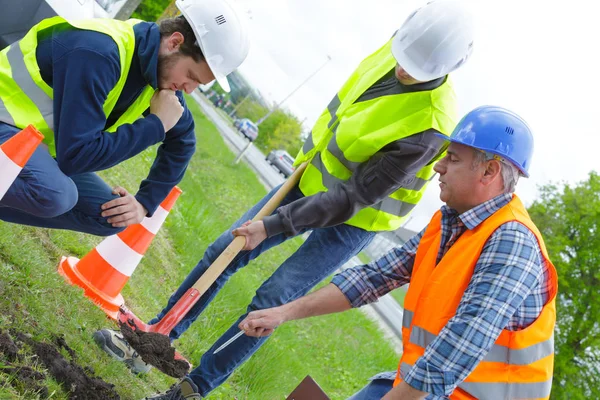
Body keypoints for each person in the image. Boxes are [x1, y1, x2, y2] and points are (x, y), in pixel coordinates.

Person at [95, 1, 475, 398]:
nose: (404, 69)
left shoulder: (431, 125)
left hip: (356, 218)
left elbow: (352, 197)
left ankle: (191, 389)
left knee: (272, 300)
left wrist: (272, 225)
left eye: (416, 70)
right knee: (227, 248)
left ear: (447, 69)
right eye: (403, 57)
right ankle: (153, 341)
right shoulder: (400, 45)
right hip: (309, 178)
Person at [239, 106, 557, 400]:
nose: (438, 166)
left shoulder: (513, 241)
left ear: (489, 172)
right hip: (430, 388)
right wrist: (284, 312)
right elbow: (373, 278)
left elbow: (458, 349)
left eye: (454, 159)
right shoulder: (448, 223)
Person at [0, 0, 249, 236]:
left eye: (198, 84)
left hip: (33, 143)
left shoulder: (159, 76)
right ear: (175, 42)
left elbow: (183, 142)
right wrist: (156, 125)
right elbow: (77, 156)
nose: (189, 89)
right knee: (54, 194)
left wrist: (144, 203)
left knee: (113, 215)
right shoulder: (100, 52)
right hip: (6, 122)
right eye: (191, 76)